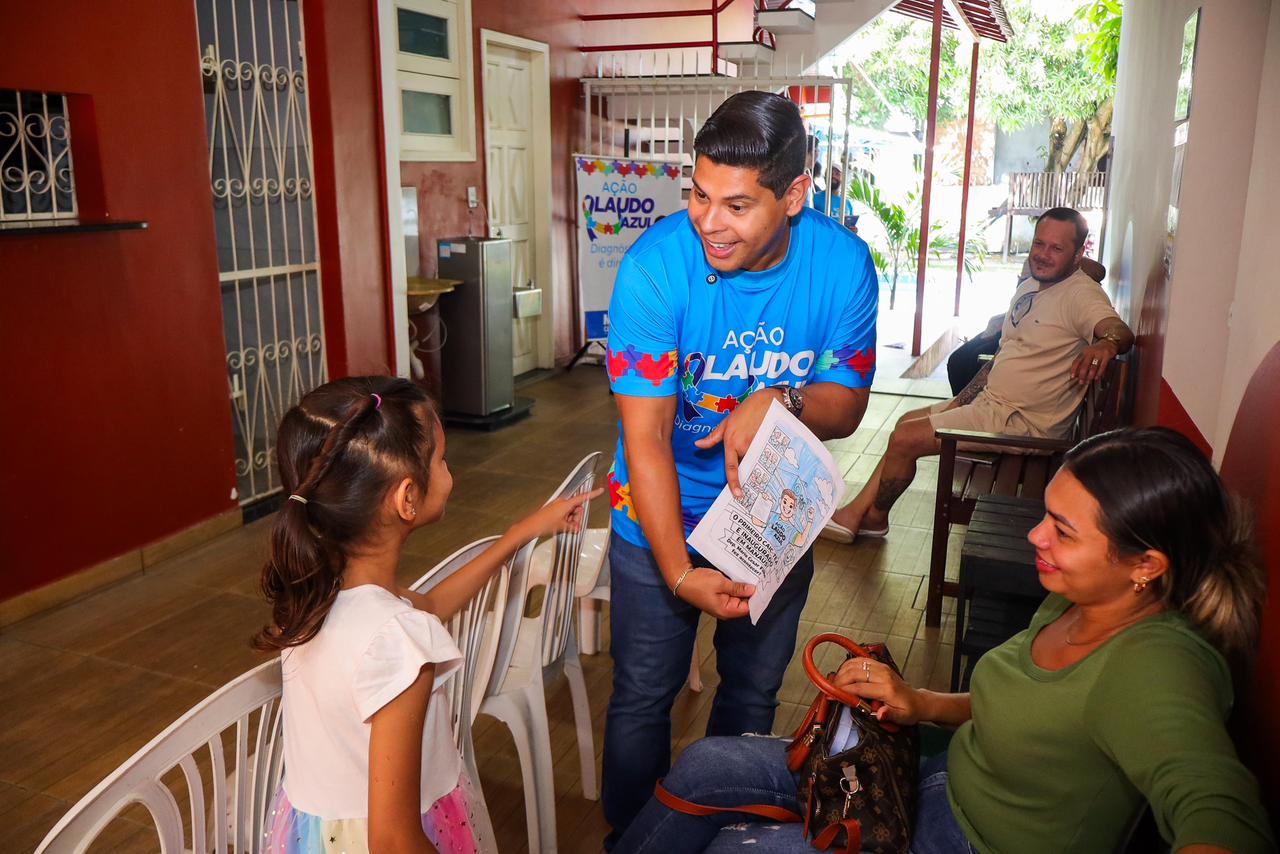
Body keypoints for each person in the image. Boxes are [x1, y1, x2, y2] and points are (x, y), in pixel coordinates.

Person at [615, 427, 1274, 854]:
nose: (1035, 537)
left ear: (1146, 564)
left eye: (1063, 531)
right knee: (705, 765)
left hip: (955, 840)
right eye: (1046, 515)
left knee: (734, 848)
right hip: (930, 778)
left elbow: (1218, 810)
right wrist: (923, 702)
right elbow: (1022, 700)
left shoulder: (1156, 666)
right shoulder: (1080, 598)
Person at [603, 90, 879, 846]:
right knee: (642, 694)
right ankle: (631, 840)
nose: (707, 222)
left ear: (794, 195)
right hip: (656, 512)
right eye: (697, 194)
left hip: (769, 514)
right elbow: (648, 441)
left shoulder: (844, 265)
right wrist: (676, 568)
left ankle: (724, 837)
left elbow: (848, 404)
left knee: (752, 692)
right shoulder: (654, 269)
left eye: (735, 205)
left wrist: (779, 397)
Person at [254, 376, 599, 854]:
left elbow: (431, 606)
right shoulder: (399, 644)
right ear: (407, 497)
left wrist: (517, 535)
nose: (449, 471)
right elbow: (395, 842)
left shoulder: (325, 596)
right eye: (441, 460)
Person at [822, 207, 1133, 543]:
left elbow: (1119, 330)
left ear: (1076, 254)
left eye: (1057, 249)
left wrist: (1106, 345)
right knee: (905, 422)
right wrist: (962, 399)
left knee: (905, 439)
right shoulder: (1036, 280)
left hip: (1023, 424)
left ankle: (867, 516)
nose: (1043, 255)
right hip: (994, 406)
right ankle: (866, 517)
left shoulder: (1081, 295)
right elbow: (1091, 268)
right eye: (1039, 244)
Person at [946, 254, 1107, 396]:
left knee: (974, 357)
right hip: (1014, 321)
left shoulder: (1075, 277)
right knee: (956, 359)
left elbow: (1099, 271)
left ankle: (969, 410)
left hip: (1034, 331)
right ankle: (961, 405)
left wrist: (1067, 257)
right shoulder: (1032, 263)